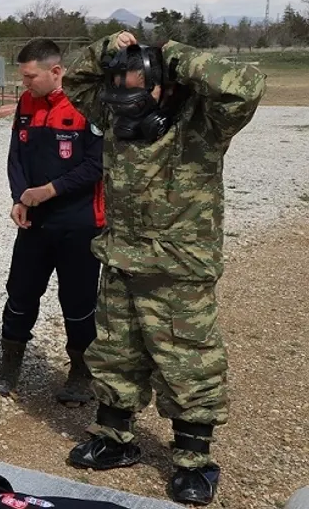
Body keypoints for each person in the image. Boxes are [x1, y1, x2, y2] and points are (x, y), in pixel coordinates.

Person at [62, 30, 265, 506]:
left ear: (165, 83)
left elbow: (246, 85)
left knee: (188, 363)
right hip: (122, 260)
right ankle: (115, 440)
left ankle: (193, 462)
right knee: (115, 355)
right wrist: (108, 49)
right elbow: (75, 81)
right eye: (119, 88)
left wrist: (175, 56)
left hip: (179, 268)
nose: (124, 99)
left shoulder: (204, 121)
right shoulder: (117, 115)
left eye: (137, 88)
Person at [0, 38, 105, 405]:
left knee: (78, 301)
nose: (25, 83)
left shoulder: (88, 103)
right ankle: (11, 362)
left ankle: (81, 372)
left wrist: (49, 190)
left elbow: (97, 164)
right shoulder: (26, 103)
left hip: (78, 224)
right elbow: (16, 156)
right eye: (22, 76)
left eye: (31, 77)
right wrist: (19, 198)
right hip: (35, 223)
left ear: (56, 71)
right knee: (20, 292)